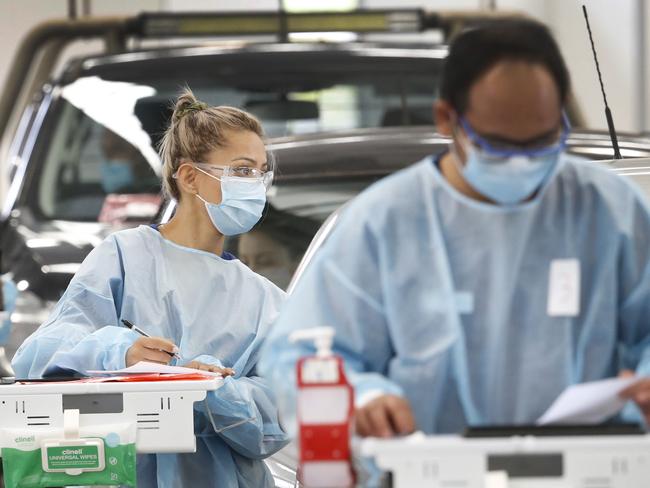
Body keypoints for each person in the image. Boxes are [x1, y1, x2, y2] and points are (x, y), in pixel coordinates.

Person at [259, 19, 650, 440]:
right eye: (499, 145)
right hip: (427, 470)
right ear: (447, 119)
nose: (524, 161)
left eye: (542, 142)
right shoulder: (384, 222)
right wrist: (364, 399)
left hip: (591, 469)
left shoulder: (610, 210)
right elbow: (300, 354)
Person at [12, 89, 289, 487]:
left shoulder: (266, 300)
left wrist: (211, 389)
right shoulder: (124, 258)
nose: (256, 185)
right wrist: (121, 352)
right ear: (191, 176)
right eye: (243, 170)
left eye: (262, 172)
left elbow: (278, 421)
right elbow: (40, 355)